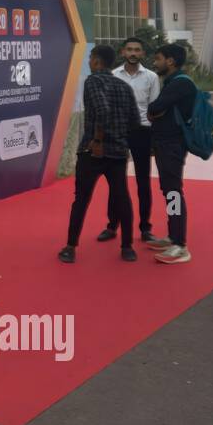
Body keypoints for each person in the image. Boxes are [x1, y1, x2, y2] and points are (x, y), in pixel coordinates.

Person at [59, 45, 137, 263]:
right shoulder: (124, 86)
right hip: (119, 153)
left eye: (90, 58)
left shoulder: (93, 81)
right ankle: (127, 247)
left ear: (96, 61)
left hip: (93, 151)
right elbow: (133, 119)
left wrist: (99, 140)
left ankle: (70, 247)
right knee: (122, 198)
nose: (89, 61)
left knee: (81, 199)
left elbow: (102, 110)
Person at [98, 37, 161, 244]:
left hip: (143, 132)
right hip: (117, 133)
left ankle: (145, 228)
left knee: (143, 182)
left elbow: (154, 109)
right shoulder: (113, 75)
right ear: (123, 52)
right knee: (117, 182)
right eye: (130, 49)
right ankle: (112, 225)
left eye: (137, 49)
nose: (133, 53)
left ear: (142, 54)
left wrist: (153, 140)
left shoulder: (151, 77)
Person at [146, 43, 197, 264]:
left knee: (174, 192)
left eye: (158, 58)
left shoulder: (180, 84)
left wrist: (153, 110)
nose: (154, 62)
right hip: (166, 145)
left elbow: (155, 107)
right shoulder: (173, 82)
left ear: (170, 61)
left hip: (172, 146)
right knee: (169, 191)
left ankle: (180, 245)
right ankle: (172, 235)